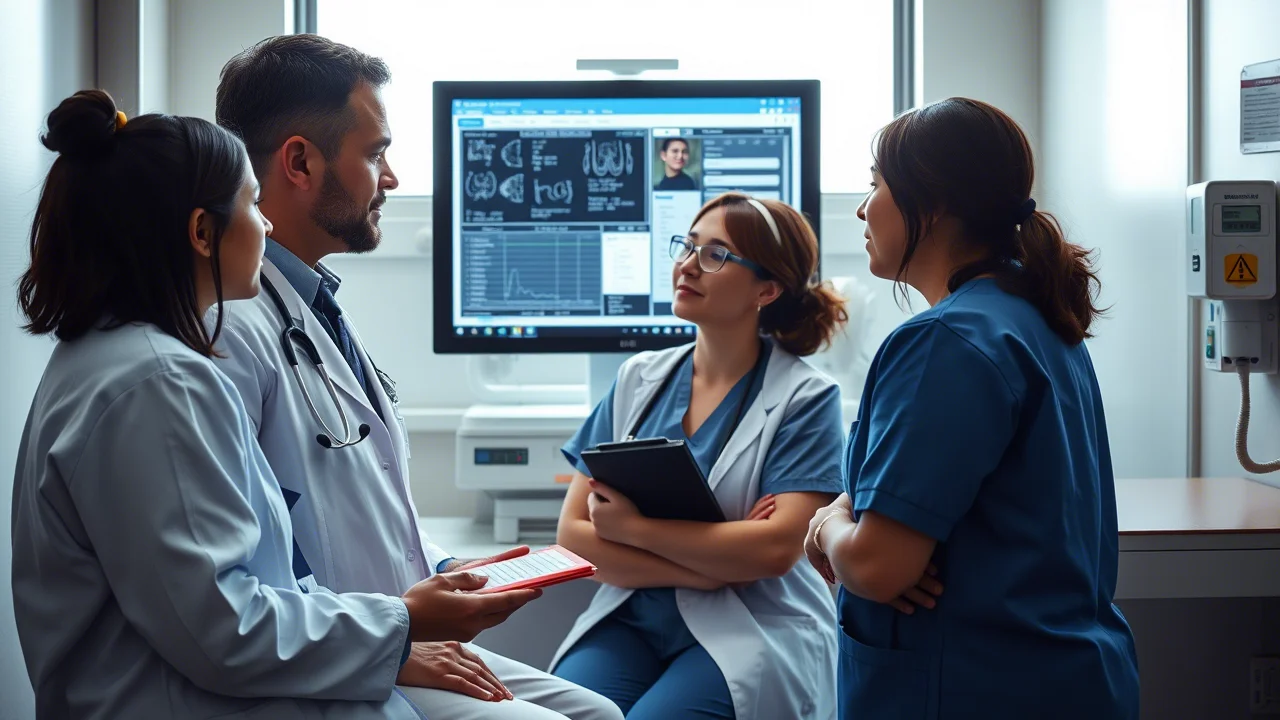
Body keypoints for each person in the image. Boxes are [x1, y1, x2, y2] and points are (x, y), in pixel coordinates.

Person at [10, 89, 541, 719]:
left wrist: (398, 626)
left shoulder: (122, 359)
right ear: (202, 233)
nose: (265, 226)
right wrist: (402, 621)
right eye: (252, 205)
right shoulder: (159, 381)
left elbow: (251, 582)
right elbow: (225, 630)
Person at [211, 34, 623, 720]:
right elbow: (258, 560)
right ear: (300, 162)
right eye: (376, 154)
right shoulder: (231, 331)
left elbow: (366, 499)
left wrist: (443, 570)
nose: (393, 178)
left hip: (385, 630)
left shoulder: (311, 305)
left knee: (601, 714)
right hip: (333, 656)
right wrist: (390, 642)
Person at [805, 97, 1140, 719]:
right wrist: (855, 510)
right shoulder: (1032, 318)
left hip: (971, 684)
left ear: (929, 203)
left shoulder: (945, 341)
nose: (862, 207)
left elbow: (877, 567)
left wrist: (827, 526)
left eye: (875, 184)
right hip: (1061, 678)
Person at [550, 192, 851, 720]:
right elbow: (574, 536)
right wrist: (710, 568)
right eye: (687, 247)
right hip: (632, 617)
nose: (688, 265)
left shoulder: (805, 398)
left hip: (752, 624)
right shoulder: (638, 379)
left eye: (716, 255)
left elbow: (773, 551)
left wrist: (631, 529)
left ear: (766, 289)